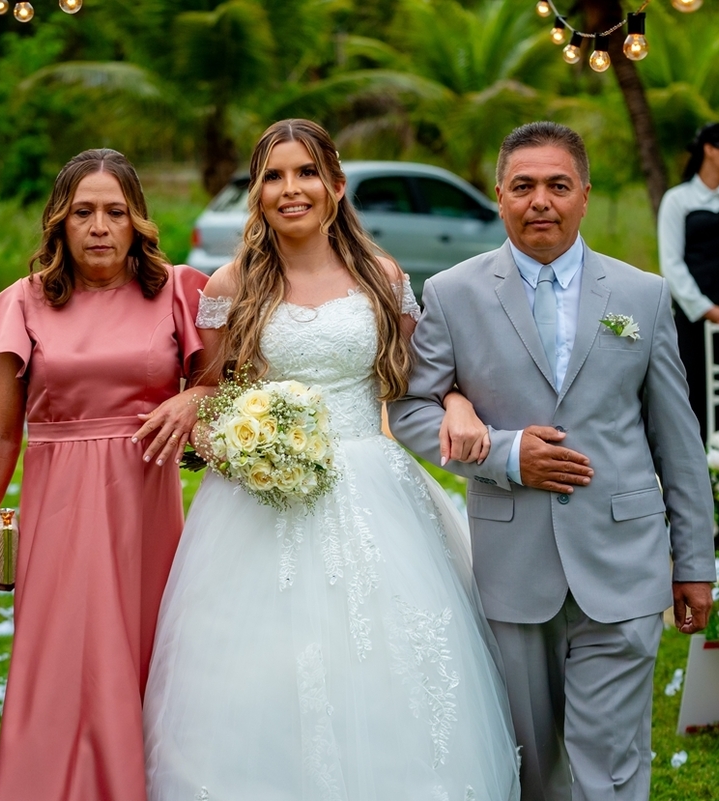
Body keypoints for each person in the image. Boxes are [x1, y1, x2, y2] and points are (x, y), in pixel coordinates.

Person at [143, 119, 520, 799]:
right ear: (258, 194)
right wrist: (237, 441)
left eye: (307, 173)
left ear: (336, 186)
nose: (291, 189)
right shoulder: (231, 284)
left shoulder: (382, 275)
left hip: (373, 488)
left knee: (385, 659)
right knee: (264, 668)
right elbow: (212, 394)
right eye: (274, 176)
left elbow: (423, 378)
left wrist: (458, 402)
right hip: (259, 503)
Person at [390, 121, 716, 801]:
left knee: (610, 765)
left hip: (623, 560)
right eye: (524, 186)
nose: (541, 200)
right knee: (531, 766)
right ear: (499, 196)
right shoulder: (451, 293)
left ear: (585, 195)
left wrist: (694, 563)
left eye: (558, 185)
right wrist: (507, 454)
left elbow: (678, 440)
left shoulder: (643, 294)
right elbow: (412, 408)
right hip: (513, 566)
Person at [0, 149, 209, 801]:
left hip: (145, 510)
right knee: (61, 661)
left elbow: (221, 384)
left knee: (144, 651)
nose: (99, 226)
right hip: (59, 511)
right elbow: (4, 431)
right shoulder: (25, 302)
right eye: (83, 212)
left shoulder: (178, 293)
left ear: (137, 222)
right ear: (59, 221)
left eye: (114, 212)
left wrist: (192, 397)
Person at [657, 122, 719, 442]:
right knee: (695, 384)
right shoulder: (677, 199)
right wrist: (705, 309)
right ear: (710, 150)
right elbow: (671, 263)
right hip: (693, 313)